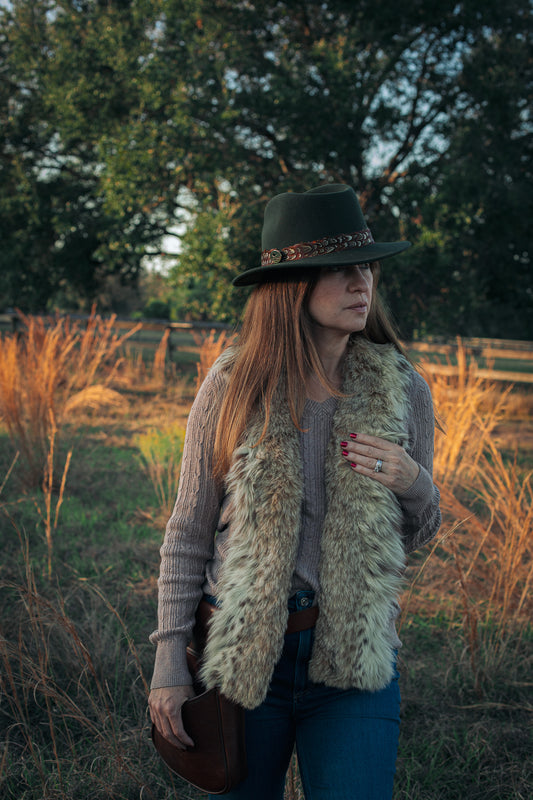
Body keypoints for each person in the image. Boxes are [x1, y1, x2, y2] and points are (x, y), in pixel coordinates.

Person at [148, 183, 441, 800]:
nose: (361, 282)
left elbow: (417, 536)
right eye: (338, 270)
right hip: (244, 656)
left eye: (366, 265)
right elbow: (189, 529)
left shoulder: (403, 391)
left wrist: (413, 483)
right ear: (291, 287)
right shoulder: (233, 384)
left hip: (354, 657)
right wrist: (170, 656)